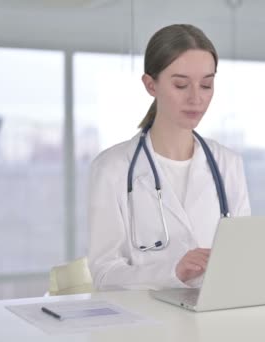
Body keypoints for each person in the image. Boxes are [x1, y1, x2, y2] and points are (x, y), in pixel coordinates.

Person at [87, 24, 251, 290]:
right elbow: (104, 275)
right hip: (146, 325)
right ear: (151, 85)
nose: (196, 98)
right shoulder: (112, 168)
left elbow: (242, 257)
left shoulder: (228, 164)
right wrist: (172, 271)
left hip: (215, 322)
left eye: (207, 84)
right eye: (181, 84)